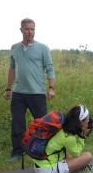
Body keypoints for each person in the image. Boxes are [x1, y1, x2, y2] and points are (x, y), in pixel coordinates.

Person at [5, 18, 55, 162]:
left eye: (32, 29)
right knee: (17, 124)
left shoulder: (43, 48)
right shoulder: (15, 48)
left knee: (42, 125)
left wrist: (51, 88)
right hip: (18, 93)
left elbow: (50, 68)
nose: (30, 32)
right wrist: (8, 88)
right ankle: (17, 152)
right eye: (27, 29)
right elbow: (12, 68)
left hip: (37, 93)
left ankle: (43, 151)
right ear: (21, 30)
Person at [32, 105, 93, 173]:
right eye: (87, 121)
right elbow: (77, 153)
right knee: (88, 156)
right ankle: (75, 169)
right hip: (49, 170)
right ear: (80, 122)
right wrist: (83, 136)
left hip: (40, 165)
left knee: (69, 150)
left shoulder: (63, 125)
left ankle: (72, 167)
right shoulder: (68, 137)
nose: (88, 123)